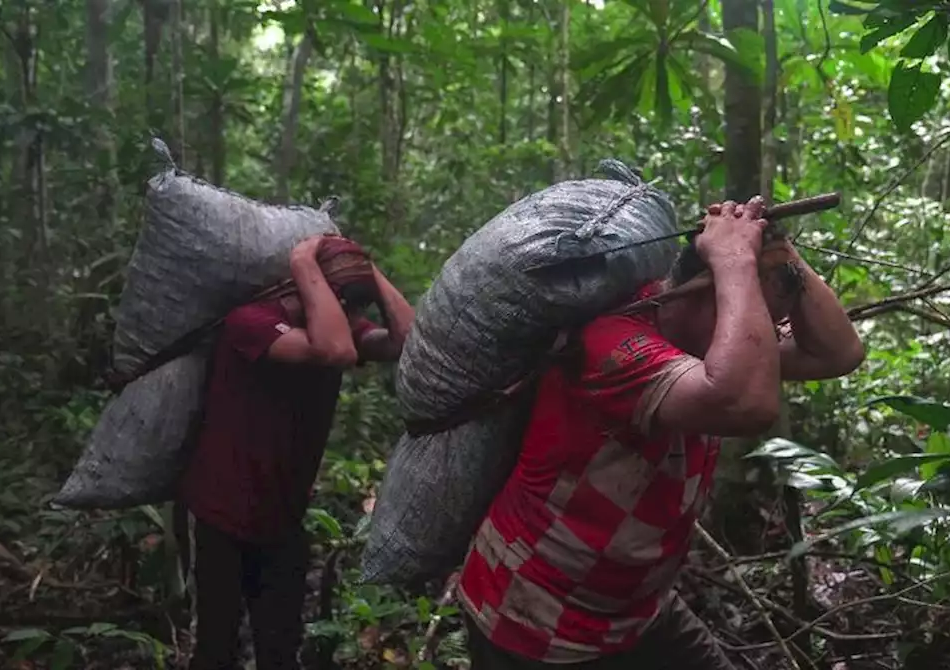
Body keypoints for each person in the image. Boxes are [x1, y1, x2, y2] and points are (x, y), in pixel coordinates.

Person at [458, 196, 865, 669]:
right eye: (748, 310)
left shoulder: (712, 341)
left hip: (634, 613)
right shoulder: (611, 340)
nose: (765, 335)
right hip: (537, 620)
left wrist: (778, 249)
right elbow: (745, 404)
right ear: (701, 290)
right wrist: (733, 259)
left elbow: (840, 353)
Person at [180, 234, 415, 670]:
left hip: (281, 520)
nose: (351, 317)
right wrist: (304, 259)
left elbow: (407, 340)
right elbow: (336, 350)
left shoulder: (337, 325)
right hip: (221, 517)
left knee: (280, 651)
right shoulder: (249, 321)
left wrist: (369, 270)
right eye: (342, 301)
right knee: (214, 649)